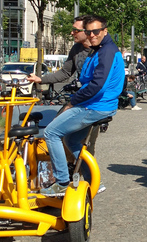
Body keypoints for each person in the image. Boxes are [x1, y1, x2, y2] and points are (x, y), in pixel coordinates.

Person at [41, 15, 125, 195]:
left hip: (95, 105)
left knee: (51, 132)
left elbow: (97, 86)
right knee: (71, 139)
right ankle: (93, 180)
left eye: (96, 31)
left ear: (104, 31)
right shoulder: (99, 48)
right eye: (89, 32)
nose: (92, 35)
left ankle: (62, 182)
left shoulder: (106, 51)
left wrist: (73, 102)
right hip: (96, 103)